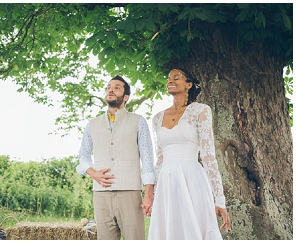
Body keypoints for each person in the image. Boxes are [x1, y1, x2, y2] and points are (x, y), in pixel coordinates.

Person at [147, 68, 231, 239]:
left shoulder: (201, 111)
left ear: (189, 85)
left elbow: (208, 157)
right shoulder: (157, 118)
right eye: (169, 78)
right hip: (166, 182)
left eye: (176, 78)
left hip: (192, 179)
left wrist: (219, 199)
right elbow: (160, 158)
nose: (170, 81)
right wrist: (153, 194)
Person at [76, 76, 155, 240]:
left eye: (117, 87)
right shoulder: (92, 124)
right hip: (101, 195)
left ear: (126, 97)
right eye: (108, 87)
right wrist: (93, 173)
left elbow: (147, 158)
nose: (110, 90)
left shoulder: (138, 121)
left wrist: (149, 194)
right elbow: (83, 156)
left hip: (130, 193)